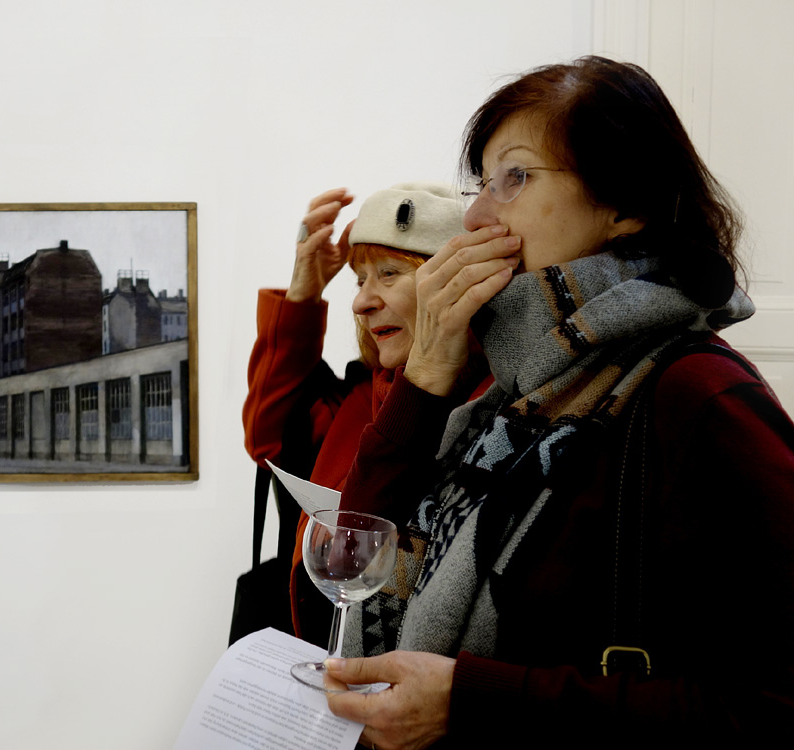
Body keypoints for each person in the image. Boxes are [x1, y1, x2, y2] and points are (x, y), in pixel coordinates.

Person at [321, 56, 794, 745]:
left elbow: (769, 707)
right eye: (480, 184)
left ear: (625, 203)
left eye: (514, 177)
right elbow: (351, 567)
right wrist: (424, 374)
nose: (477, 214)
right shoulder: (515, 394)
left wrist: (471, 701)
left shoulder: (700, 397)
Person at [243, 183, 482, 645]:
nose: (361, 302)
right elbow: (267, 438)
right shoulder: (362, 395)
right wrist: (303, 292)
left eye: (389, 273)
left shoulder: (498, 404)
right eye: (360, 279)